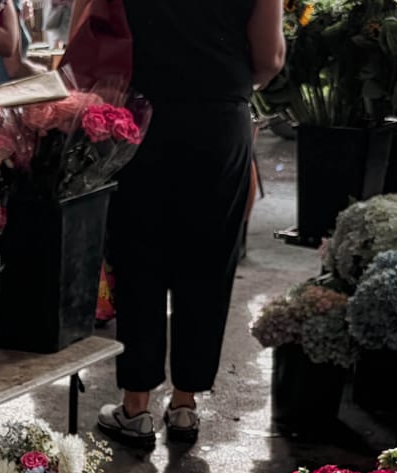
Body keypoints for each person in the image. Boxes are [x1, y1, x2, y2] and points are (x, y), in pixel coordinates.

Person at [91, 0, 285, 448]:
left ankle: (136, 408)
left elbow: (93, 33)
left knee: (138, 255)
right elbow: (270, 57)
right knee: (208, 259)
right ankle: (184, 405)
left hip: (139, 115)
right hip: (219, 117)